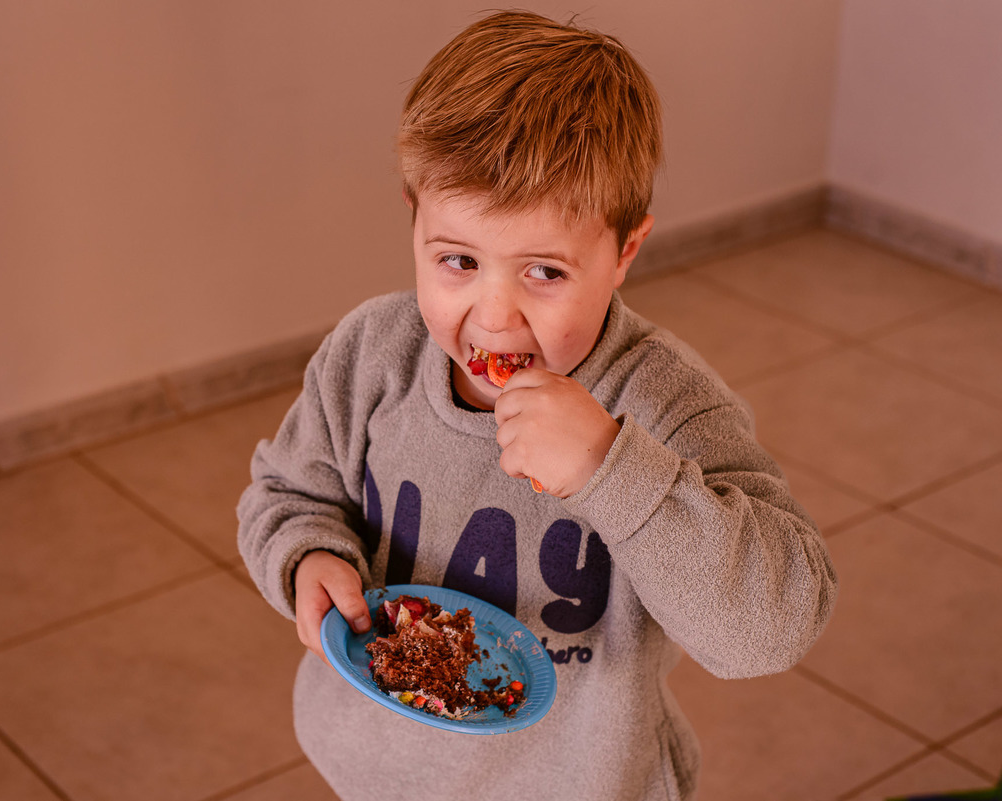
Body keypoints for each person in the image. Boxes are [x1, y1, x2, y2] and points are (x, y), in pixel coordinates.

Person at [237, 10, 837, 800]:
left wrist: (610, 467)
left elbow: (770, 630)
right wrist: (306, 556)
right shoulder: (370, 354)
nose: (494, 317)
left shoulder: (666, 402)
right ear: (414, 219)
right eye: (458, 260)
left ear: (623, 252)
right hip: (376, 774)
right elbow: (287, 493)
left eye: (545, 272)